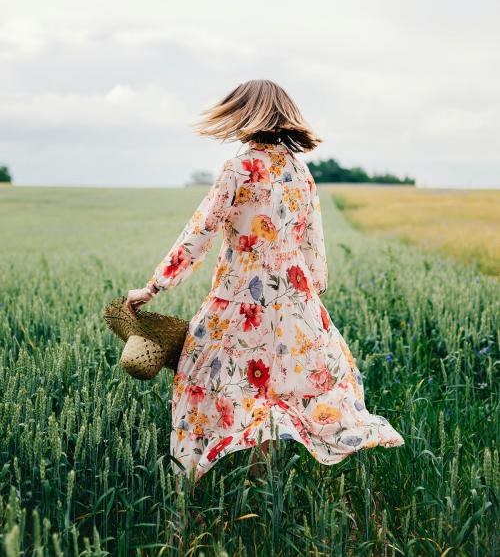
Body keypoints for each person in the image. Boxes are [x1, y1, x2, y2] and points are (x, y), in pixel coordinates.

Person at [126, 79, 404, 484]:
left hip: (240, 299)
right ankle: (262, 482)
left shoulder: (238, 168)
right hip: (296, 303)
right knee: (281, 393)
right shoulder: (300, 171)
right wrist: (306, 298)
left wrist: (154, 287)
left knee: (201, 378)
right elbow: (315, 250)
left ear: (246, 115)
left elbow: (200, 233)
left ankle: (194, 482)